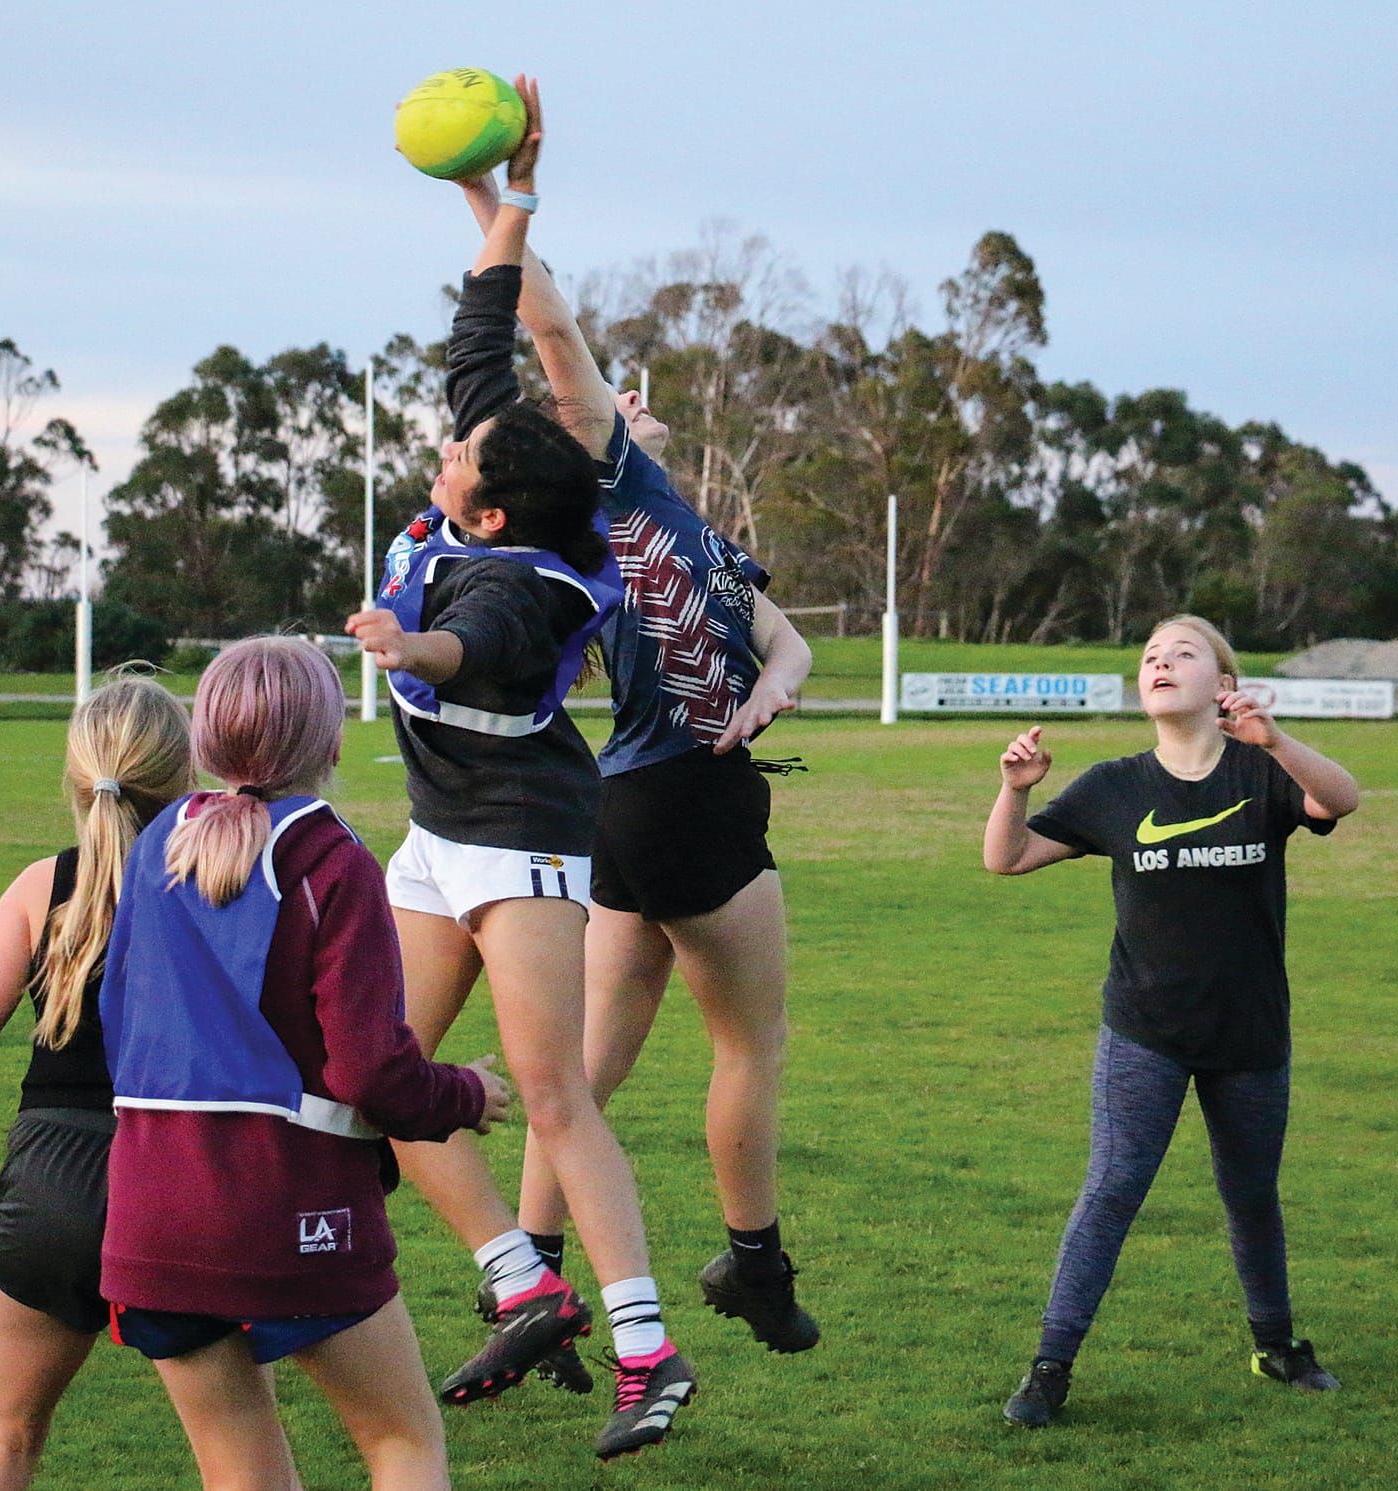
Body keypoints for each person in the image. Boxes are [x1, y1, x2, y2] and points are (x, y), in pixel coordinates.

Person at [344, 77, 697, 1461]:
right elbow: (483, 327)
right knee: (376, 1071)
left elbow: (469, 648)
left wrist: (400, 642)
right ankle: (518, 1276)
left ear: (487, 504)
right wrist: (503, 196)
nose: (445, 437)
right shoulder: (502, 470)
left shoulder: (534, 576)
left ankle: (650, 1352)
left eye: (457, 449)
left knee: (553, 1094)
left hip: (528, 838)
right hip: (439, 829)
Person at [445, 169, 820, 1357]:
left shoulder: (683, 528)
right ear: (586, 438)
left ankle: (539, 1296)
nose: (625, 399)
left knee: (576, 1085)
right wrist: (489, 198)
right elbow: (546, 324)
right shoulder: (610, 490)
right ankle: (754, 1264)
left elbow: (782, 634)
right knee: (748, 1046)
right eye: (608, 402)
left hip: (631, 808)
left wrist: (768, 691)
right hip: (686, 805)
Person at [96, 636, 510, 1491]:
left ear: (205, 740)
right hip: (286, 1200)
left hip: (149, 1208)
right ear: (329, 742)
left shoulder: (158, 843)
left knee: (238, 1465)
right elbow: (370, 1070)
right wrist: (463, 1094)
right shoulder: (330, 861)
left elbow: (119, 1020)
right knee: (403, 1442)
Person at [982, 615, 1359, 1427]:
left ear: (1221, 686)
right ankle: (1050, 1366)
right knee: (1112, 1188)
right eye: (1151, 655)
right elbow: (1005, 859)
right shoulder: (1113, 786)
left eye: (1182, 653)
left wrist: (1278, 738)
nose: (1161, 663)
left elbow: (1342, 799)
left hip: (1250, 1029)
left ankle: (1277, 1343)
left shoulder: (1262, 771)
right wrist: (1015, 790)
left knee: (1251, 1193)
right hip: (1143, 1027)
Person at [0, 675, 195, 1491]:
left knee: (3, 1432)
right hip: (181, 1175)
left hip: (54, 1177)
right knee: (239, 1445)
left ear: (75, 777)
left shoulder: (42, 887)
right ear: (187, 773)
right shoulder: (220, 883)